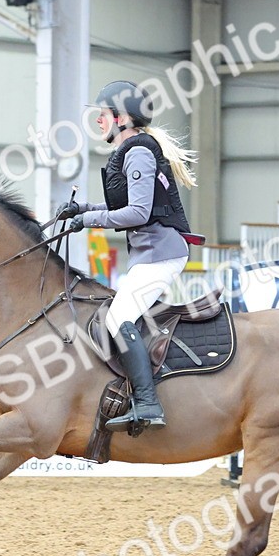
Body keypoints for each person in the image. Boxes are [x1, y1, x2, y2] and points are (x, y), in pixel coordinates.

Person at [57, 80, 198, 434]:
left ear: (121, 118)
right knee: (119, 315)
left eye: (103, 115)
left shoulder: (138, 152)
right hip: (151, 253)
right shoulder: (133, 150)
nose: (99, 121)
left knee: (118, 317)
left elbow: (136, 213)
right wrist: (84, 208)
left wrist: (86, 220)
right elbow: (125, 207)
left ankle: (149, 403)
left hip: (161, 253)